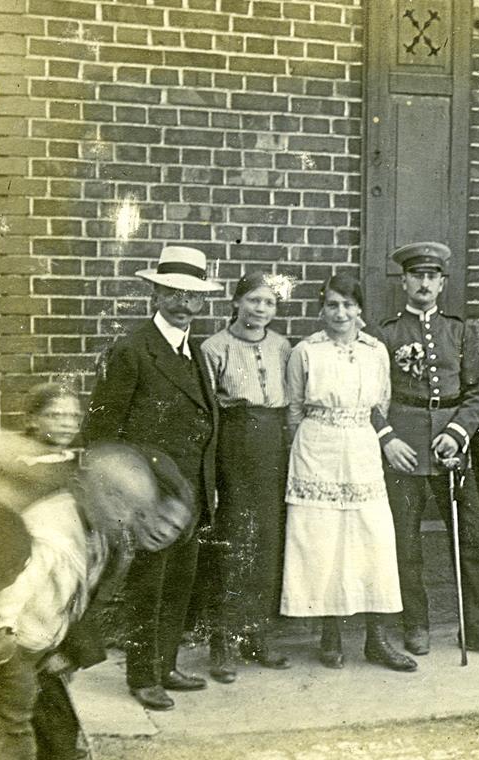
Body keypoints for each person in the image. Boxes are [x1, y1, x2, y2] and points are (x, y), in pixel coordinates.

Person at [0, 443, 195, 759]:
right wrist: (1, 643)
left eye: (137, 511)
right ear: (95, 493)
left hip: (45, 644)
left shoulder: (102, 531)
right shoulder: (52, 534)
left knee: (51, 725)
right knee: (13, 728)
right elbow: (12, 593)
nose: (129, 519)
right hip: (16, 648)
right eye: (124, 506)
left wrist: (66, 651)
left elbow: (87, 598)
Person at [81, 245, 220, 711]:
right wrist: (126, 495)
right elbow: (101, 430)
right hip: (149, 498)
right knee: (149, 586)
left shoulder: (194, 351)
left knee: (180, 583)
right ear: (156, 294)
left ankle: (165, 666)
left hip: (190, 494)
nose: (184, 303)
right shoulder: (133, 349)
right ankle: (143, 677)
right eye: (173, 293)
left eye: (193, 296)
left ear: (202, 302)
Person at [374, 243, 479, 659]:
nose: (423, 283)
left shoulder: (460, 331)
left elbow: (478, 394)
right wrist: (387, 438)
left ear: (442, 283)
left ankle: (477, 628)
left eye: (431, 276)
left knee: (470, 539)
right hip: (404, 450)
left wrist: (456, 432)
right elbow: (369, 396)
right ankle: (415, 624)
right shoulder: (386, 334)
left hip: (451, 452)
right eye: (416, 275)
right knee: (406, 542)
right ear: (404, 281)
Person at [279, 272, 415, 673]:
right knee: (323, 543)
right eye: (332, 305)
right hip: (316, 448)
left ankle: (377, 638)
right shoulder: (306, 351)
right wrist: (312, 442)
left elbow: (382, 403)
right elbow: (293, 408)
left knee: (371, 540)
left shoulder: (375, 351)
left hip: (360, 448)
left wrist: (358, 432)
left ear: (360, 309)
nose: (340, 313)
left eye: (348, 305)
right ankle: (331, 636)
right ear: (322, 308)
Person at [199, 272, 294, 683]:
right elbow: (210, 410)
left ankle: (259, 634)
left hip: (272, 443)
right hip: (234, 445)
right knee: (233, 539)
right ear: (236, 303)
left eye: (269, 303)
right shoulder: (213, 347)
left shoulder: (282, 346)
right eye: (253, 301)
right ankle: (222, 640)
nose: (261, 310)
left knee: (268, 540)